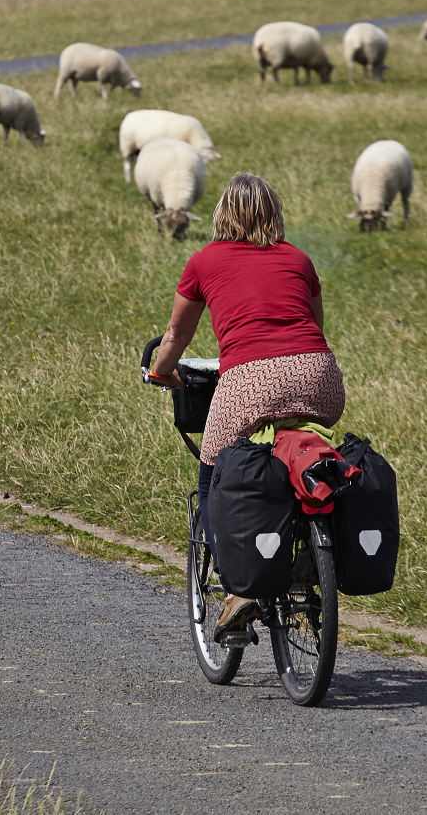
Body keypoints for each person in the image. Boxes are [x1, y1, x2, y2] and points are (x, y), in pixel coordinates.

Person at [144, 173, 346, 635]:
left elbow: (177, 335)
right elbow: (315, 326)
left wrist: (160, 373)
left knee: (213, 477)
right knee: (304, 456)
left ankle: (240, 589)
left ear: (221, 213)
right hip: (320, 375)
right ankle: (311, 554)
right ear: (274, 212)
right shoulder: (299, 258)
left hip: (251, 380)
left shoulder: (204, 261)